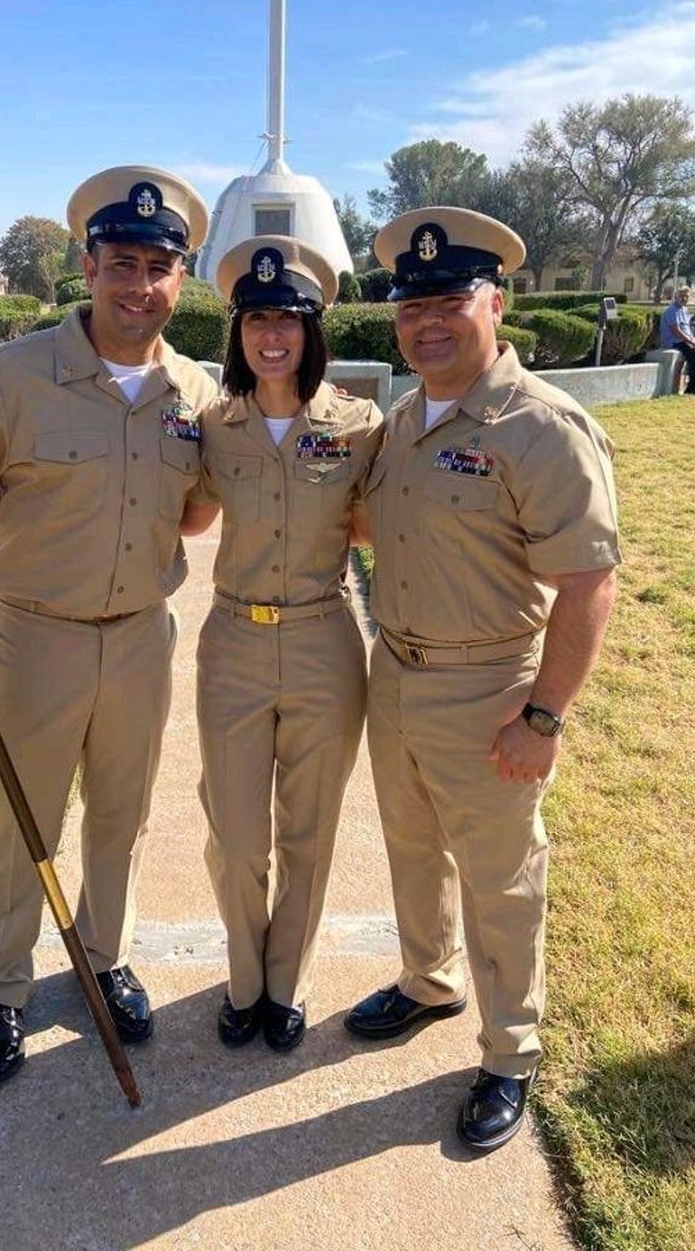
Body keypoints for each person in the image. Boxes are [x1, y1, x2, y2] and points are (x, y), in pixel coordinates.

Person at [0, 166, 218, 1082]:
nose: (138, 285)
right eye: (121, 262)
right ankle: (2, 985)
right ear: (87, 263)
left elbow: (195, 512)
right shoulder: (18, 373)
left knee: (123, 813)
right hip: (35, 639)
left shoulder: (195, 389)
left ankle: (106, 960)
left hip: (143, 635)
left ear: (180, 277)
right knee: (16, 818)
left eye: (157, 266)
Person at [344, 207, 620, 1152]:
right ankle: (428, 979)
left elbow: (589, 579)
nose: (428, 318)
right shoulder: (401, 419)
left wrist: (542, 715)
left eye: (449, 298)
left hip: (491, 686)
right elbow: (382, 529)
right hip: (398, 672)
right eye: (412, 302)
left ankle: (510, 1051)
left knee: (503, 878)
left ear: (493, 302)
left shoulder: (542, 426)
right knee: (412, 847)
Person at [181, 237, 382, 1051]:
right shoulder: (213, 426)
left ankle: (286, 984)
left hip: (323, 644)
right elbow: (187, 511)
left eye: (288, 319)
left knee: (309, 829)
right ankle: (243, 979)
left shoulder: (360, 425)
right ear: (237, 329)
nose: (272, 335)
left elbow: (387, 521)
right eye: (257, 317)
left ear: (311, 330)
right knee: (234, 836)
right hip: (232, 642)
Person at [660, 286, 695, 393]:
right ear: (675, 297)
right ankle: (692, 390)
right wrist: (691, 342)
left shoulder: (684, 310)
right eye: (681, 296)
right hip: (674, 342)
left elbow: (687, 329)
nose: (684, 298)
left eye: (686, 296)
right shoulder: (671, 311)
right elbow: (676, 332)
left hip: (684, 340)